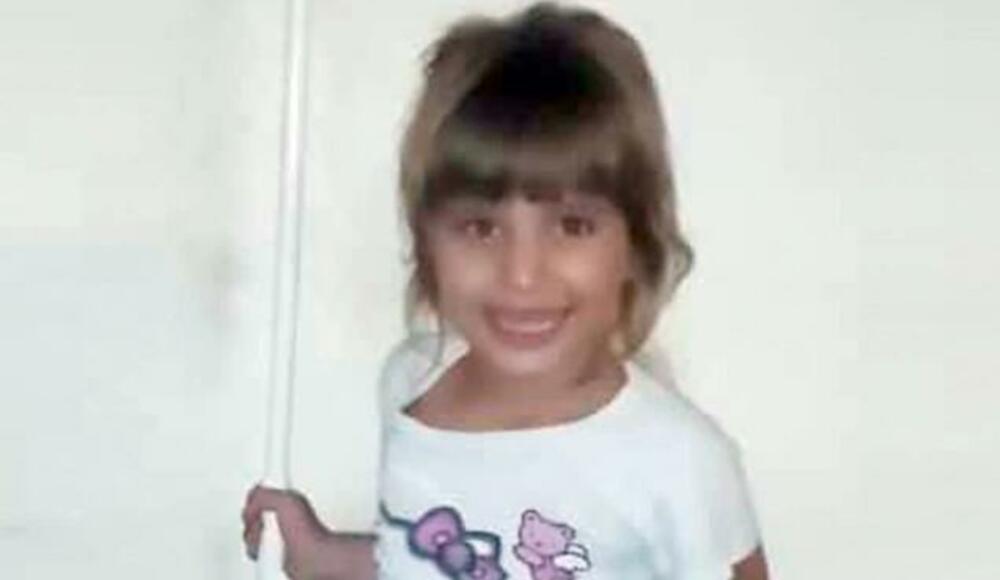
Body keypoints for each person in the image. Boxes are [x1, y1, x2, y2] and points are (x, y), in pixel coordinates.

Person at [242, 3, 769, 579]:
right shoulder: (413, 380)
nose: (521, 274)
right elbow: (419, 564)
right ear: (427, 242)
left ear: (635, 245)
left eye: (573, 226)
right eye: (480, 227)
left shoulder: (679, 460)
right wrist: (316, 553)